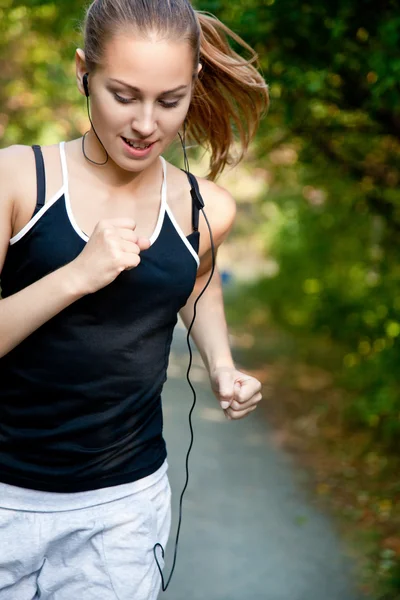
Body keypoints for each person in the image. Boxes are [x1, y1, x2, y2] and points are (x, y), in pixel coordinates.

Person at [0, 0, 268, 598]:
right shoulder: (19, 181)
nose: (147, 123)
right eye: (123, 95)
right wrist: (77, 274)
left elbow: (196, 283)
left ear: (193, 85)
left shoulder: (207, 209)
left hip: (121, 509)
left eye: (169, 101)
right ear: (83, 73)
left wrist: (223, 367)